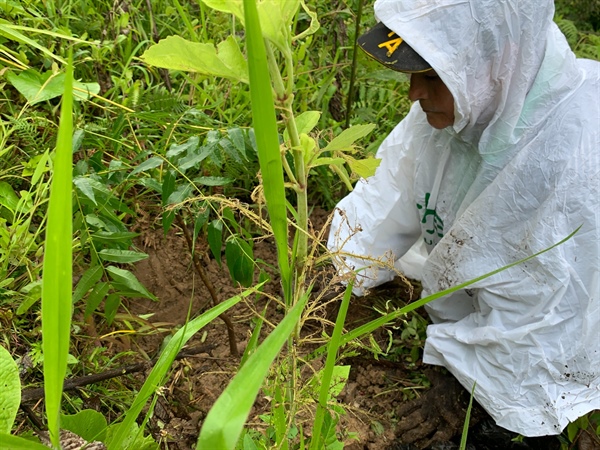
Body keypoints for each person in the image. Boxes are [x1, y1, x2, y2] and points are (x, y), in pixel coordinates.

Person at [328, 0, 600, 444]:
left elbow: (550, 312)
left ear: (501, 59)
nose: (413, 93)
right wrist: (342, 267)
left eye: (433, 76)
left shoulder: (575, 150)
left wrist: (467, 388)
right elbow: (389, 191)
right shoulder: (468, 103)